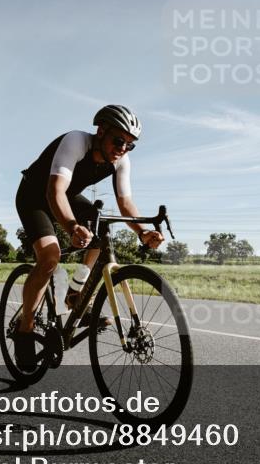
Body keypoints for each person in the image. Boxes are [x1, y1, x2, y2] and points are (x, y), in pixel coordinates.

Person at [13, 105, 164, 370]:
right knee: (50, 257)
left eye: (130, 145)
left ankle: (75, 294)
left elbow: (125, 203)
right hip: (35, 195)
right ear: (101, 131)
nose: (123, 148)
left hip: (67, 196)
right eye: (119, 140)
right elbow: (54, 192)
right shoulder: (76, 141)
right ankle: (24, 331)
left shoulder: (121, 160)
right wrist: (72, 227)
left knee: (101, 232)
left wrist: (143, 232)